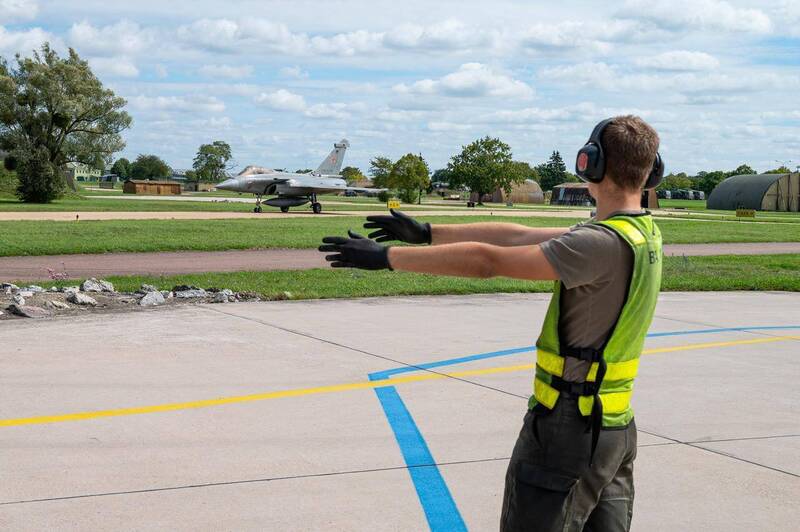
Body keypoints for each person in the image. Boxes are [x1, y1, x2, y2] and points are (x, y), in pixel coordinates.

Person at [318, 115, 664, 532]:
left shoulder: (597, 243)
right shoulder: (637, 233)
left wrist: (386, 257)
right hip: (614, 427)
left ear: (590, 163)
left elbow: (488, 261)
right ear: (651, 170)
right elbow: (518, 235)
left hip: (568, 429)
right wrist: (427, 232)